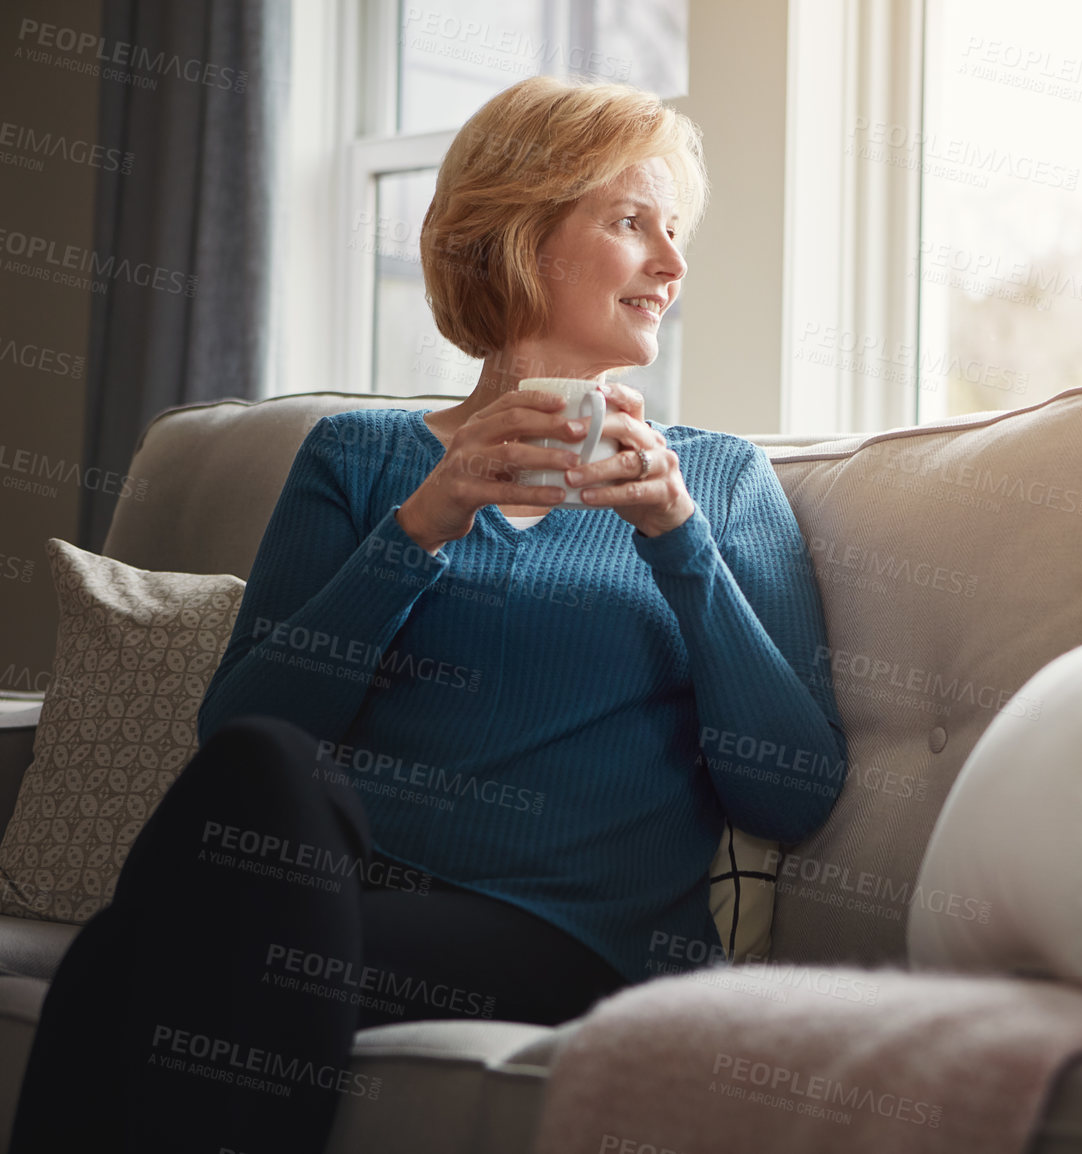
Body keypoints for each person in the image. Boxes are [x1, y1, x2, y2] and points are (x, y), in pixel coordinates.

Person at [10, 76, 846, 1154]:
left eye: (676, 232)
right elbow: (247, 722)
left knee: (134, 955)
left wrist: (679, 542)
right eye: (633, 222)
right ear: (520, 233)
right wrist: (423, 523)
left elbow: (791, 786)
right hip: (330, 898)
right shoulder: (361, 462)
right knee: (264, 768)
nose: (672, 264)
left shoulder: (720, 483)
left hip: (583, 941)